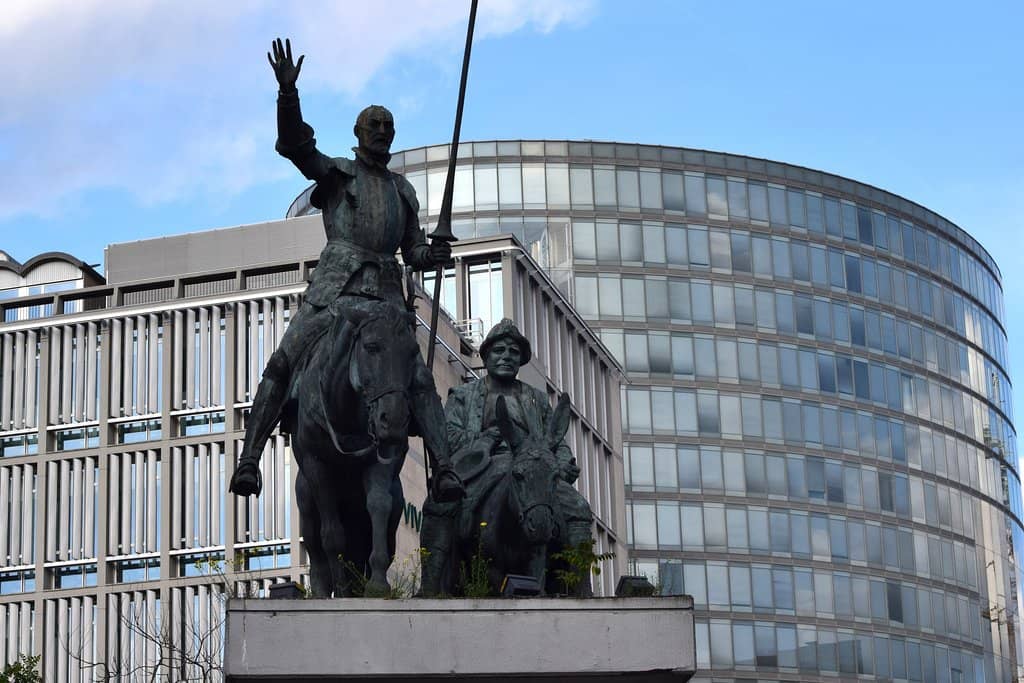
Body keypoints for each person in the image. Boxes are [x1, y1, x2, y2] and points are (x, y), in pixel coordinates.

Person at [228, 38, 463, 502]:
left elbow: (412, 249)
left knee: (417, 379)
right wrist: (288, 95)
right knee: (282, 362)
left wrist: (429, 255)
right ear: (358, 133)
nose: (381, 130)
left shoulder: (402, 191)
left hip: (386, 304)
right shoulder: (338, 174)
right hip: (335, 296)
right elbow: (298, 148)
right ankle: (250, 458)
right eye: (373, 124)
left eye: (388, 125)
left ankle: (447, 468)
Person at [420, 319, 594, 595]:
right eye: (499, 350)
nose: (506, 357)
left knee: (578, 508)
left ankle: (581, 588)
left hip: (533, 467)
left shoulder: (536, 399)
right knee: (440, 505)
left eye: (513, 352)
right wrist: (486, 440)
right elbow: (447, 434)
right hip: (483, 465)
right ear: (486, 356)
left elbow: (557, 442)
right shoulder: (464, 395)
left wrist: (562, 464)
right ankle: (430, 586)